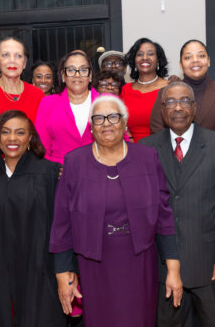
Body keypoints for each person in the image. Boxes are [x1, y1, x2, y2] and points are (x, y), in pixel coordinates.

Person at [50, 95, 183, 327]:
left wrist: (173, 268)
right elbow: (62, 221)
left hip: (139, 261)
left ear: (124, 122)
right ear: (91, 127)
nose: (106, 123)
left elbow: (164, 215)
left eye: (113, 117)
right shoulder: (74, 162)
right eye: (99, 118)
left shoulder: (147, 157)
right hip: (94, 263)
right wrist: (63, 272)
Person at [140, 82, 215, 327]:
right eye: (171, 102)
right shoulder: (145, 150)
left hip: (208, 264)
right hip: (162, 265)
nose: (178, 108)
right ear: (162, 109)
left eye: (185, 101)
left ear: (194, 107)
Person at [0, 110, 65, 327]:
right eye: (5, 132)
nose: (12, 139)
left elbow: (63, 226)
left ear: (30, 138)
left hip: (38, 267)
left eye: (20, 133)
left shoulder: (50, 173)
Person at [149, 39, 215, 139]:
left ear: (208, 61)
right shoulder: (166, 93)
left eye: (201, 56)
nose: (195, 60)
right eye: (188, 57)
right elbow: (157, 131)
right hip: (176, 153)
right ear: (181, 65)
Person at [0, 37, 45, 160]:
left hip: (31, 165)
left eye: (18, 56)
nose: (12, 61)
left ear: (24, 63)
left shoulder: (37, 95)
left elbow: (42, 138)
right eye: (6, 55)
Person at [35, 51, 99, 164]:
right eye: (71, 70)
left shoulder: (106, 102)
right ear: (63, 76)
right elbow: (41, 147)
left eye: (83, 70)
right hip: (60, 174)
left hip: (98, 172)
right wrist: (52, 170)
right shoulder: (47, 103)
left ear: (90, 75)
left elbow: (120, 142)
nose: (77, 74)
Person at [121, 38, 169, 142]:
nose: (145, 58)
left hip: (161, 150)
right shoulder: (125, 90)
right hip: (132, 151)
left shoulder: (169, 88)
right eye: (139, 54)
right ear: (134, 60)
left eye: (150, 54)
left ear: (158, 60)